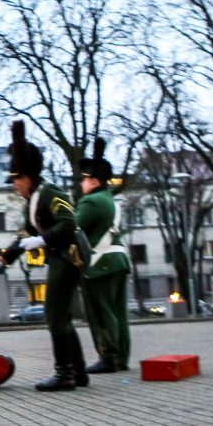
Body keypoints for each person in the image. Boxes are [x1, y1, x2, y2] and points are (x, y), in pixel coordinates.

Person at [0, 120, 89, 391]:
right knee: (62, 316)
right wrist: (0, 261)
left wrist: (40, 240)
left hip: (70, 255)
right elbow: (24, 236)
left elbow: (68, 223)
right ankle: (77, 372)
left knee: (54, 312)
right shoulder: (34, 201)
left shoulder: (51, 193)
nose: (14, 185)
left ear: (27, 177)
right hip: (60, 256)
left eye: (16, 179)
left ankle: (64, 374)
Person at [76, 137, 131, 373]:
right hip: (118, 260)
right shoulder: (112, 201)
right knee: (119, 312)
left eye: (84, 179)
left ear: (95, 181)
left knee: (102, 312)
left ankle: (108, 356)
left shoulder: (91, 201)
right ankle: (121, 357)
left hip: (101, 265)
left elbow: (74, 229)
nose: (81, 184)